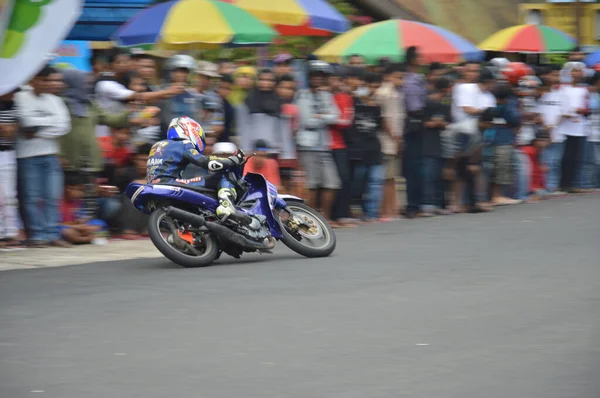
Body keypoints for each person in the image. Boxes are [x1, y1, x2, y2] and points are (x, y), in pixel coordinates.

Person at [16, 66, 72, 248]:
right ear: (34, 80)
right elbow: (27, 121)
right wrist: (50, 123)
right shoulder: (21, 97)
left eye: (52, 80)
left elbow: (64, 126)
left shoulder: (56, 100)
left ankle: (52, 234)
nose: (50, 84)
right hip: (27, 155)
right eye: (46, 80)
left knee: (52, 196)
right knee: (31, 197)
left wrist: (37, 132)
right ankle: (38, 235)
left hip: (50, 154)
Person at [146, 116, 243, 220]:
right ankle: (226, 206)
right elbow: (205, 162)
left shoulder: (156, 145)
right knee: (223, 176)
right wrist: (232, 160)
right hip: (170, 183)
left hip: (153, 185)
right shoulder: (183, 144)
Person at [295, 60, 341, 221]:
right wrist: (324, 117)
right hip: (308, 145)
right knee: (312, 185)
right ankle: (312, 220)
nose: (318, 79)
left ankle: (325, 218)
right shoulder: (302, 95)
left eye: (321, 76)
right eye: (315, 75)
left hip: (325, 146)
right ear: (309, 77)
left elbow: (336, 116)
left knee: (332, 183)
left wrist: (321, 117)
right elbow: (307, 121)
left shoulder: (327, 95)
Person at [375, 63, 405, 221]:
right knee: (386, 178)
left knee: (392, 177)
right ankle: (385, 212)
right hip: (387, 141)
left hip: (394, 140)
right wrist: (395, 137)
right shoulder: (384, 93)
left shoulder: (396, 93)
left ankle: (393, 210)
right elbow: (384, 119)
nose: (401, 80)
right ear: (388, 77)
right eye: (398, 77)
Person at [402, 46, 427, 218]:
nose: (421, 59)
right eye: (418, 57)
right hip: (411, 126)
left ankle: (417, 204)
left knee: (418, 167)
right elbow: (414, 107)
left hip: (420, 125)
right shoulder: (408, 81)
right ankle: (412, 205)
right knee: (411, 168)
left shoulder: (419, 79)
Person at [421, 77, 452, 216]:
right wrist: (431, 123)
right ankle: (428, 204)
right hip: (427, 144)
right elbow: (421, 123)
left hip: (442, 144)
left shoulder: (445, 104)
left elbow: (448, 123)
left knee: (441, 175)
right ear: (445, 89)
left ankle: (440, 203)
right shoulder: (427, 103)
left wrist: (442, 124)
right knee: (429, 175)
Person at [0, 90, 22, 250]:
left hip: (8, 152)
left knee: (9, 196)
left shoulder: (12, 105)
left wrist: (7, 129)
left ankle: (10, 232)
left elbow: (10, 131)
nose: (14, 94)